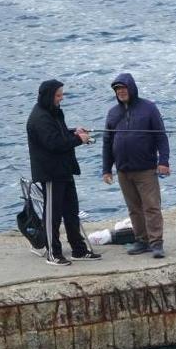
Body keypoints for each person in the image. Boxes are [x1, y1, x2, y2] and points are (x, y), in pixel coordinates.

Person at [27, 79, 102, 265]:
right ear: (48, 96)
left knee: (71, 211)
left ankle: (79, 249)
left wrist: (74, 131)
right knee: (52, 215)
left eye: (62, 94)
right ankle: (53, 253)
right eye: (58, 95)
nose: (61, 98)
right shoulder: (40, 117)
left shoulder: (53, 113)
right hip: (51, 173)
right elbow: (54, 143)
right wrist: (79, 140)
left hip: (64, 170)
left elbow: (58, 133)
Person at [102, 73, 170, 259]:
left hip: (146, 169)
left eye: (123, 88)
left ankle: (156, 243)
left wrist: (163, 162)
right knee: (134, 208)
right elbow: (107, 142)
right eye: (117, 90)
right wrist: (107, 169)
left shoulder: (149, 108)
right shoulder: (113, 113)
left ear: (131, 88)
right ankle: (142, 240)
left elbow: (161, 136)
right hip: (123, 170)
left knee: (151, 207)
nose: (121, 92)